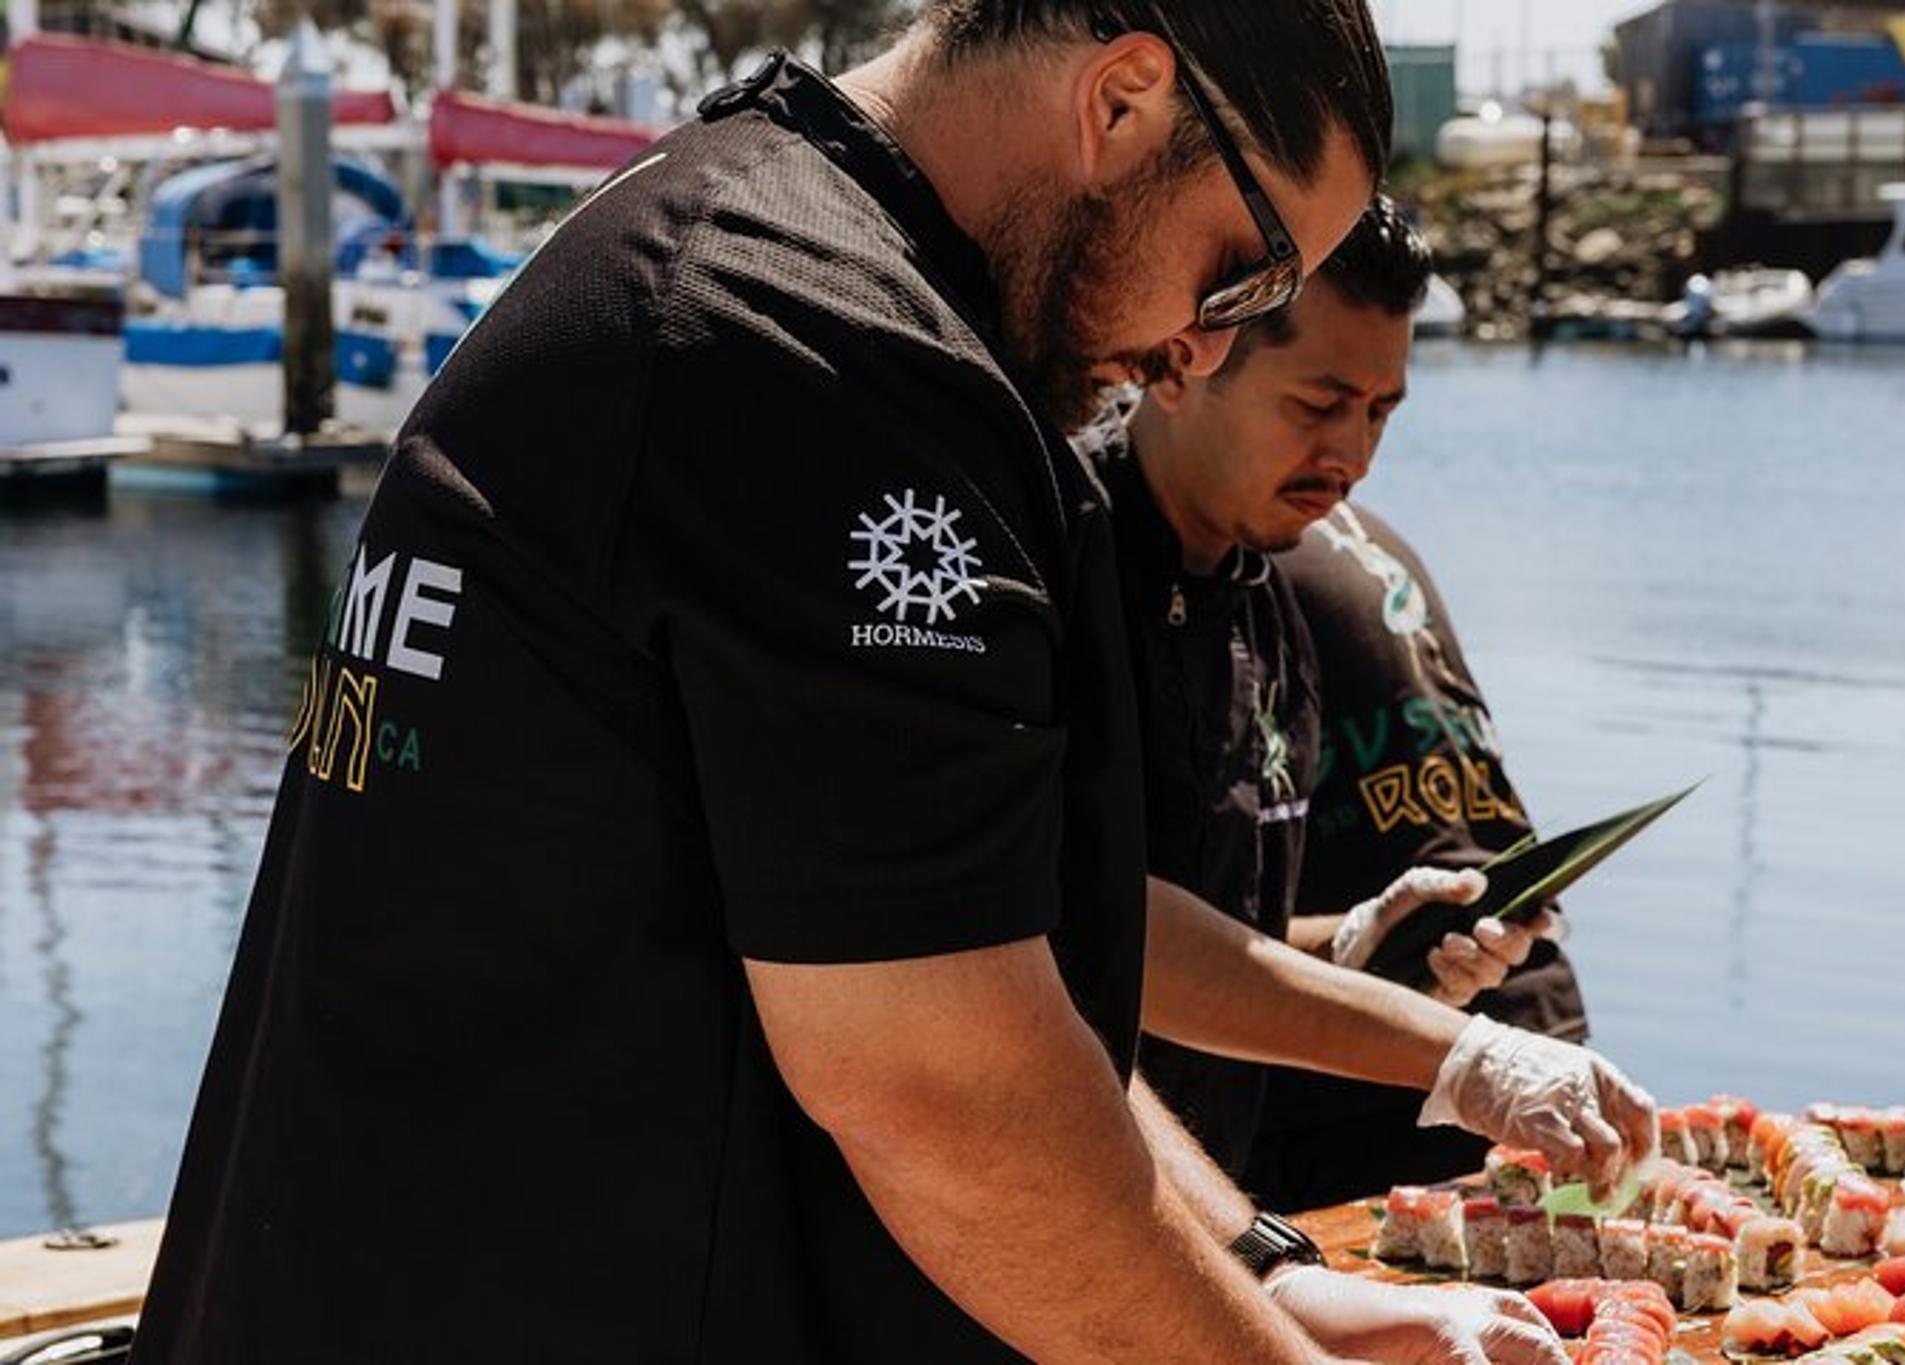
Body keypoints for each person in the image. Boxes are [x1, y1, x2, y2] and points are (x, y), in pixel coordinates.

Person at [132, 7, 1639, 1362]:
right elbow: (945, 1096)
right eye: (1242, 278)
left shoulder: (733, 246)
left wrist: (1265, 1278)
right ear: (1120, 100)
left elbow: (975, 977)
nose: (1201, 345)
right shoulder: (817, 357)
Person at [1083, 200, 1571, 1188]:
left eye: (1380, 410)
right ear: (1181, 359)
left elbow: (1230, 939)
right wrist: (1455, 1056)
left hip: (1208, 1202)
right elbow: (1076, 927)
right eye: (1316, 405)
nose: (1351, 457)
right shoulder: (1055, 564)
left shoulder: (1266, 586)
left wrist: (1361, 939)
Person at [1248, 492, 1595, 1211]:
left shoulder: (1234, 545)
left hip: (1381, 1074)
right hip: (1538, 1024)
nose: (1355, 448)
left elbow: (1171, 926)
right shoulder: (1364, 529)